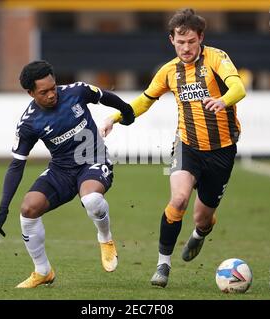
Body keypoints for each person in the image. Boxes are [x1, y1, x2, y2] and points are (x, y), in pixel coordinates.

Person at [100, 8, 246, 288]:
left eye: (191, 41)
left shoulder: (216, 58)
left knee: (202, 217)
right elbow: (143, 102)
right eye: (181, 42)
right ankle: (163, 265)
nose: (186, 47)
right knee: (178, 200)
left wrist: (223, 101)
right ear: (172, 40)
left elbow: (238, 88)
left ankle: (201, 234)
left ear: (200, 38)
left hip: (222, 150)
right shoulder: (168, 71)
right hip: (187, 146)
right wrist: (115, 118)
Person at [0, 60, 135, 288]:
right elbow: (16, 165)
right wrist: (2, 209)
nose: (51, 95)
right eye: (43, 92)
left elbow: (106, 97)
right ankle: (43, 271)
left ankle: (105, 239)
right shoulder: (29, 123)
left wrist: (127, 112)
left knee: (91, 199)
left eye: (53, 88)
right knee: (28, 209)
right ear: (30, 93)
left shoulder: (77, 91)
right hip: (62, 170)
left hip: (93, 161)